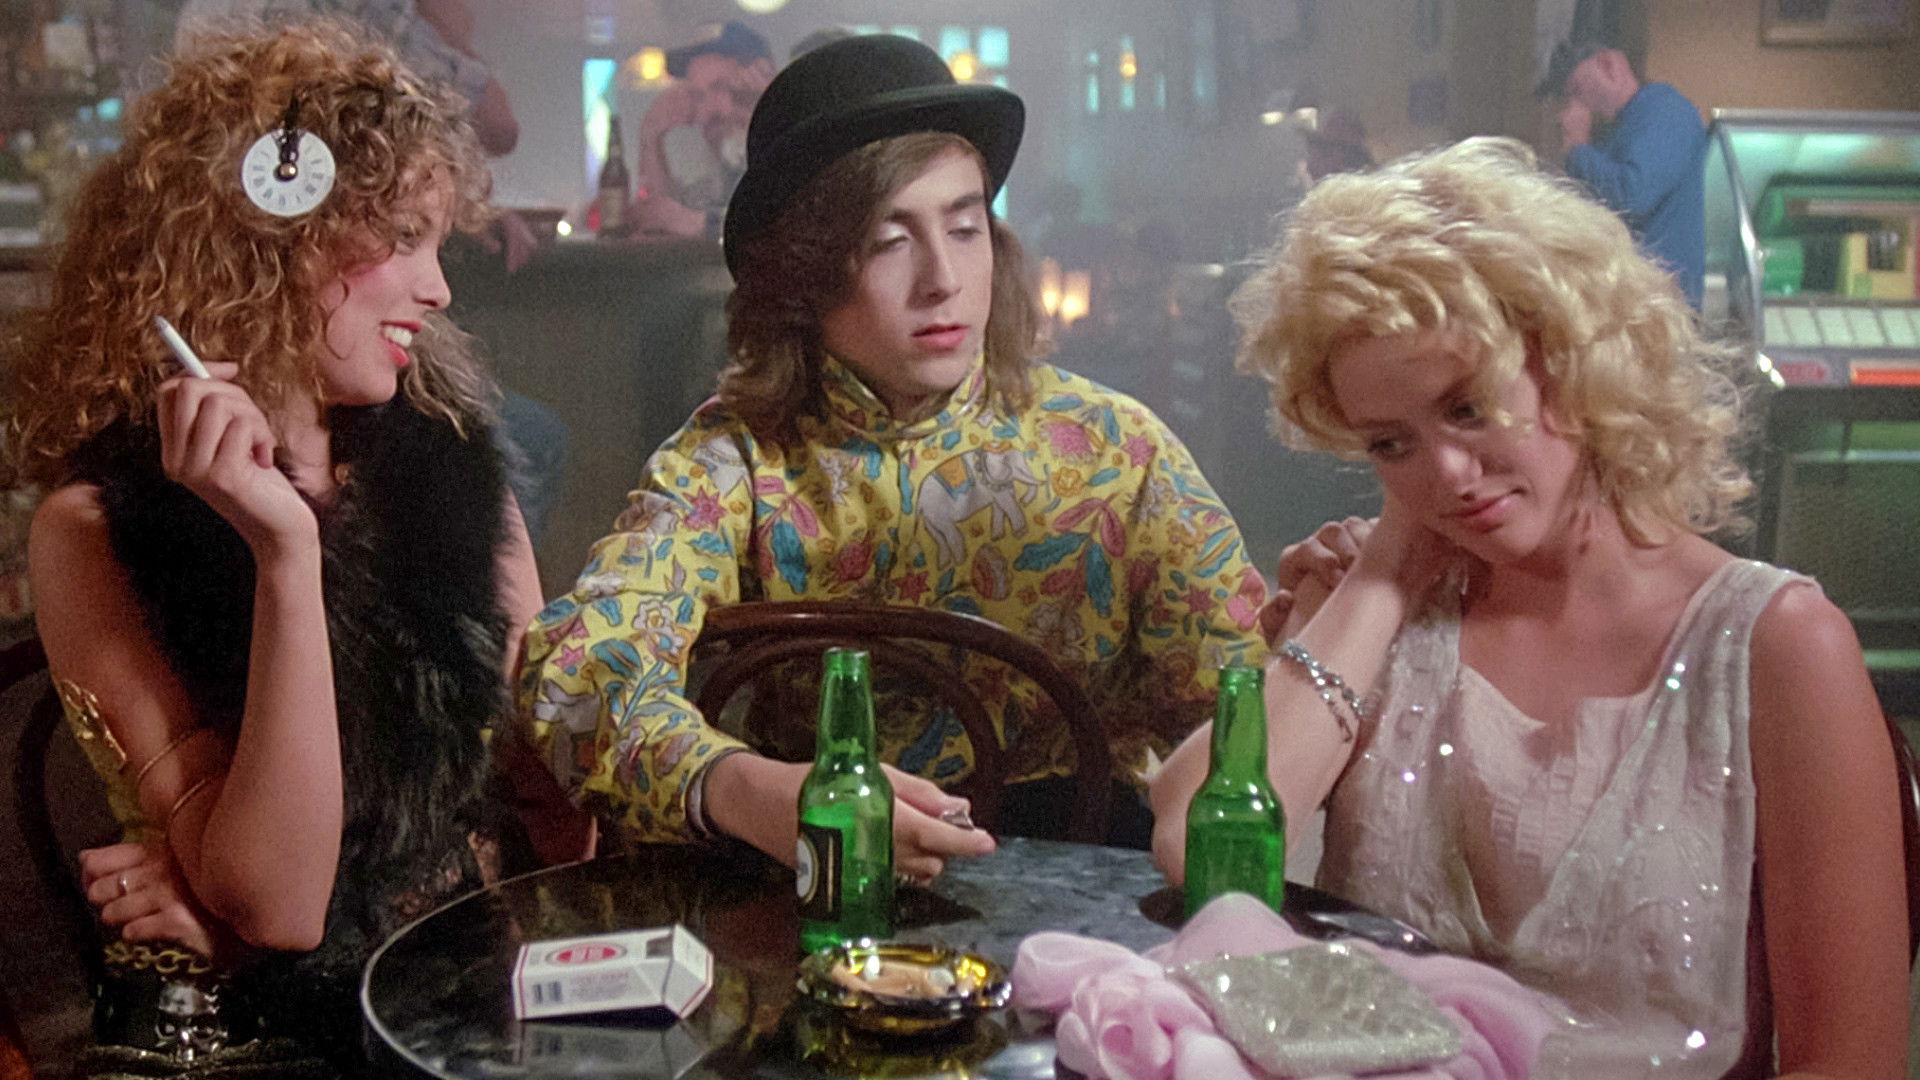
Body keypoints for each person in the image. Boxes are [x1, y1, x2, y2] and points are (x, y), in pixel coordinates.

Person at [1150, 138, 1907, 1077]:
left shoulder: (1776, 645)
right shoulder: (1392, 614)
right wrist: (1382, 575)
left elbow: (1852, 1062)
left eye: (1467, 408)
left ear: (1574, 362)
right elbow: (1189, 843)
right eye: (1391, 443)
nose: (1447, 475)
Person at [522, 34, 1266, 881]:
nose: (943, 278)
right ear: (801, 276)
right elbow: (576, 678)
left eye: (966, 227)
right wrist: (747, 790)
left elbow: (1244, 710)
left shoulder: (1114, 450)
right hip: (819, 892)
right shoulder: (734, 463)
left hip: (1080, 904)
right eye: (888, 241)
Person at [8, 22, 587, 1076]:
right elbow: (280, 904)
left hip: (466, 1004)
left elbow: (550, 808)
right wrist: (286, 555)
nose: (439, 289)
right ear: (271, 241)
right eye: (403, 237)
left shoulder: (453, 471)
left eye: (438, 244)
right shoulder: (94, 526)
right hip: (257, 1049)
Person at [1539, 37, 1707, 309]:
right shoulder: (1616, 130)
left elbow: (1633, 196)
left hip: (1660, 301)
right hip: (1630, 296)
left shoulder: (1665, 111)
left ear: (1608, 65)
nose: (1576, 105)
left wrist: (1578, 145)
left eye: (1577, 91)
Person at [632, 20, 774, 239]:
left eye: (720, 87)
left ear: (759, 82)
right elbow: (655, 218)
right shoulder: (705, 170)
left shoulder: (792, 156)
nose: (706, 111)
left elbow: (789, 226)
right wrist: (652, 136)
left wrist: (701, 223)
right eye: (698, 96)